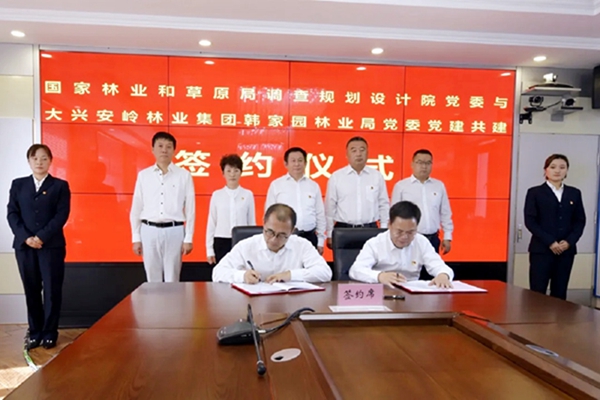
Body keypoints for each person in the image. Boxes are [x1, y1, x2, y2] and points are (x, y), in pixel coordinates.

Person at [7, 144, 71, 350]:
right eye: (35, 158)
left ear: (50, 161)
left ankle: (50, 332)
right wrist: (26, 237)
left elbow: (61, 215)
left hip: (51, 246)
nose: (39, 162)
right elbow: (12, 214)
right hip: (24, 246)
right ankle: (35, 332)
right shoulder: (18, 185)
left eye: (44, 158)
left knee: (52, 290)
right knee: (31, 289)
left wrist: (41, 237)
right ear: (29, 161)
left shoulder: (60, 186)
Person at [130, 131, 196, 282]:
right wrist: (136, 237)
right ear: (152, 149)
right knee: (152, 277)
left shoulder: (184, 175)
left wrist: (189, 238)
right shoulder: (144, 175)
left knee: (172, 277)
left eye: (168, 146)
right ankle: (154, 299)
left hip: (174, 230)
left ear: (174, 150)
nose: (164, 150)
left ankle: (172, 299)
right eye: (160, 146)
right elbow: (136, 208)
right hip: (148, 230)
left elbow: (191, 210)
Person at [212, 204, 332, 284]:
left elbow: (325, 272)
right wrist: (243, 276)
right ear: (264, 223)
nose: (274, 240)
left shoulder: (302, 245)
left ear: (292, 231)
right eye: (270, 232)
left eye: (282, 235)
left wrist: (290, 275)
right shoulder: (246, 246)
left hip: (291, 305)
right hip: (254, 306)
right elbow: (217, 273)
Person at [349, 201, 454, 288]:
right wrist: (379, 276)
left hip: (412, 294)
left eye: (410, 232)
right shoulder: (375, 243)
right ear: (389, 225)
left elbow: (439, 266)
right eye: (399, 231)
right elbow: (355, 270)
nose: (404, 237)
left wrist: (443, 275)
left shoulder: (421, 242)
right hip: (382, 291)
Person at [524, 154, 586, 300]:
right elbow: (530, 221)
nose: (557, 171)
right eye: (553, 167)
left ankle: (559, 317)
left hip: (566, 251)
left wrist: (569, 242)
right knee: (538, 292)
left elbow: (580, 221)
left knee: (560, 291)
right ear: (545, 170)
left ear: (567, 171)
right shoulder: (535, 192)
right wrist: (550, 242)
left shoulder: (574, 193)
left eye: (562, 167)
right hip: (541, 250)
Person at [325, 136, 389, 248]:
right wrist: (329, 233)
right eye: (354, 150)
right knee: (344, 260)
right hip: (344, 230)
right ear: (347, 155)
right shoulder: (337, 177)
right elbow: (330, 208)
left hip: (370, 230)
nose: (358, 154)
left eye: (362, 150)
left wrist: (384, 230)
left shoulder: (376, 176)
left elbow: (383, 205)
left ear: (368, 153)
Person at [391, 149, 453, 254]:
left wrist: (447, 236)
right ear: (412, 164)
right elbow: (394, 215)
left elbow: (445, 213)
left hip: (432, 239)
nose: (424, 166)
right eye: (420, 162)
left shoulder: (439, 186)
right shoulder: (401, 186)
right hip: (409, 239)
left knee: (431, 265)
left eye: (428, 163)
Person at [265, 147, 325, 255]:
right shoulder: (276, 185)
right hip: (284, 237)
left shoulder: (313, 186)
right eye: (293, 161)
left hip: (309, 237)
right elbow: (269, 214)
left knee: (308, 266)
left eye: (300, 160)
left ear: (305, 163)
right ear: (286, 164)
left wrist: (320, 241)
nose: (297, 164)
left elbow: (320, 214)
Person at [206, 154, 256, 264]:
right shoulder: (217, 195)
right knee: (222, 271)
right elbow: (212, 223)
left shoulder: (248, 194)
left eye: (236, 171)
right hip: (221, 240)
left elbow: (251, 222)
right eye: (228, 171)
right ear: (223, 173)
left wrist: (253, 246)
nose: (232, 174)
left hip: (242, 240)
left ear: (241, 172)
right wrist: (209, 249)